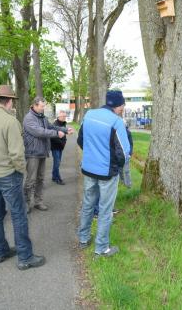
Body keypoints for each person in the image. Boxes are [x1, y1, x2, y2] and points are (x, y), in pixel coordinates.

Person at [0, 85, 45, 270]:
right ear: (9, 101)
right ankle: (25, 257)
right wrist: (20, 170)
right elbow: (17, 154)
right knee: (18, 215)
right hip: (8, 175)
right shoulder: (10, 122)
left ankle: (1, 251)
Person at [77, 90, 131, 257]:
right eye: (122, 105)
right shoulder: (116, 122)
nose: (123, 108)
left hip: (88, 169)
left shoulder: (89, 115)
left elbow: (80, 140)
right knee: (105, 210)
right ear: (118, 106)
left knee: (87, 204)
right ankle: (101, 248)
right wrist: (115, 165)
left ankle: (83, 238)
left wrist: (93, 155)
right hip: (107, 172)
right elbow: (124, 153)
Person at [22, 97, 72, 212]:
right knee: (31, 180)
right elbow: (39, 132)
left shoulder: (42, 117)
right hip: (32, 153)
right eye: (42, 106)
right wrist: (56, 134)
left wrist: (65, 130)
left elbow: (51, 127)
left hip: (42, 152)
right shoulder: (29, 118)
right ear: (35, 105)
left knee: (40, 178)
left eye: (44, 106)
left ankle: (38, 201)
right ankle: (26, 203)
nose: (43, 108)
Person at [49, 111, 68, 185]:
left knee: (57, 163)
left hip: (60, 147)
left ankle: (54, 176)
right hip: (55, 147)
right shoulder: (55, 125)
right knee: (57, 163)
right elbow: (53, 137)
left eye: (65, 116)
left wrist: (64, 141)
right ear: (58, 117)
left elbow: (64, 135)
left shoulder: (63, 124)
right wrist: (62, 143)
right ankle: (58, 178)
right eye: (62, 116)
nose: (64, 117)